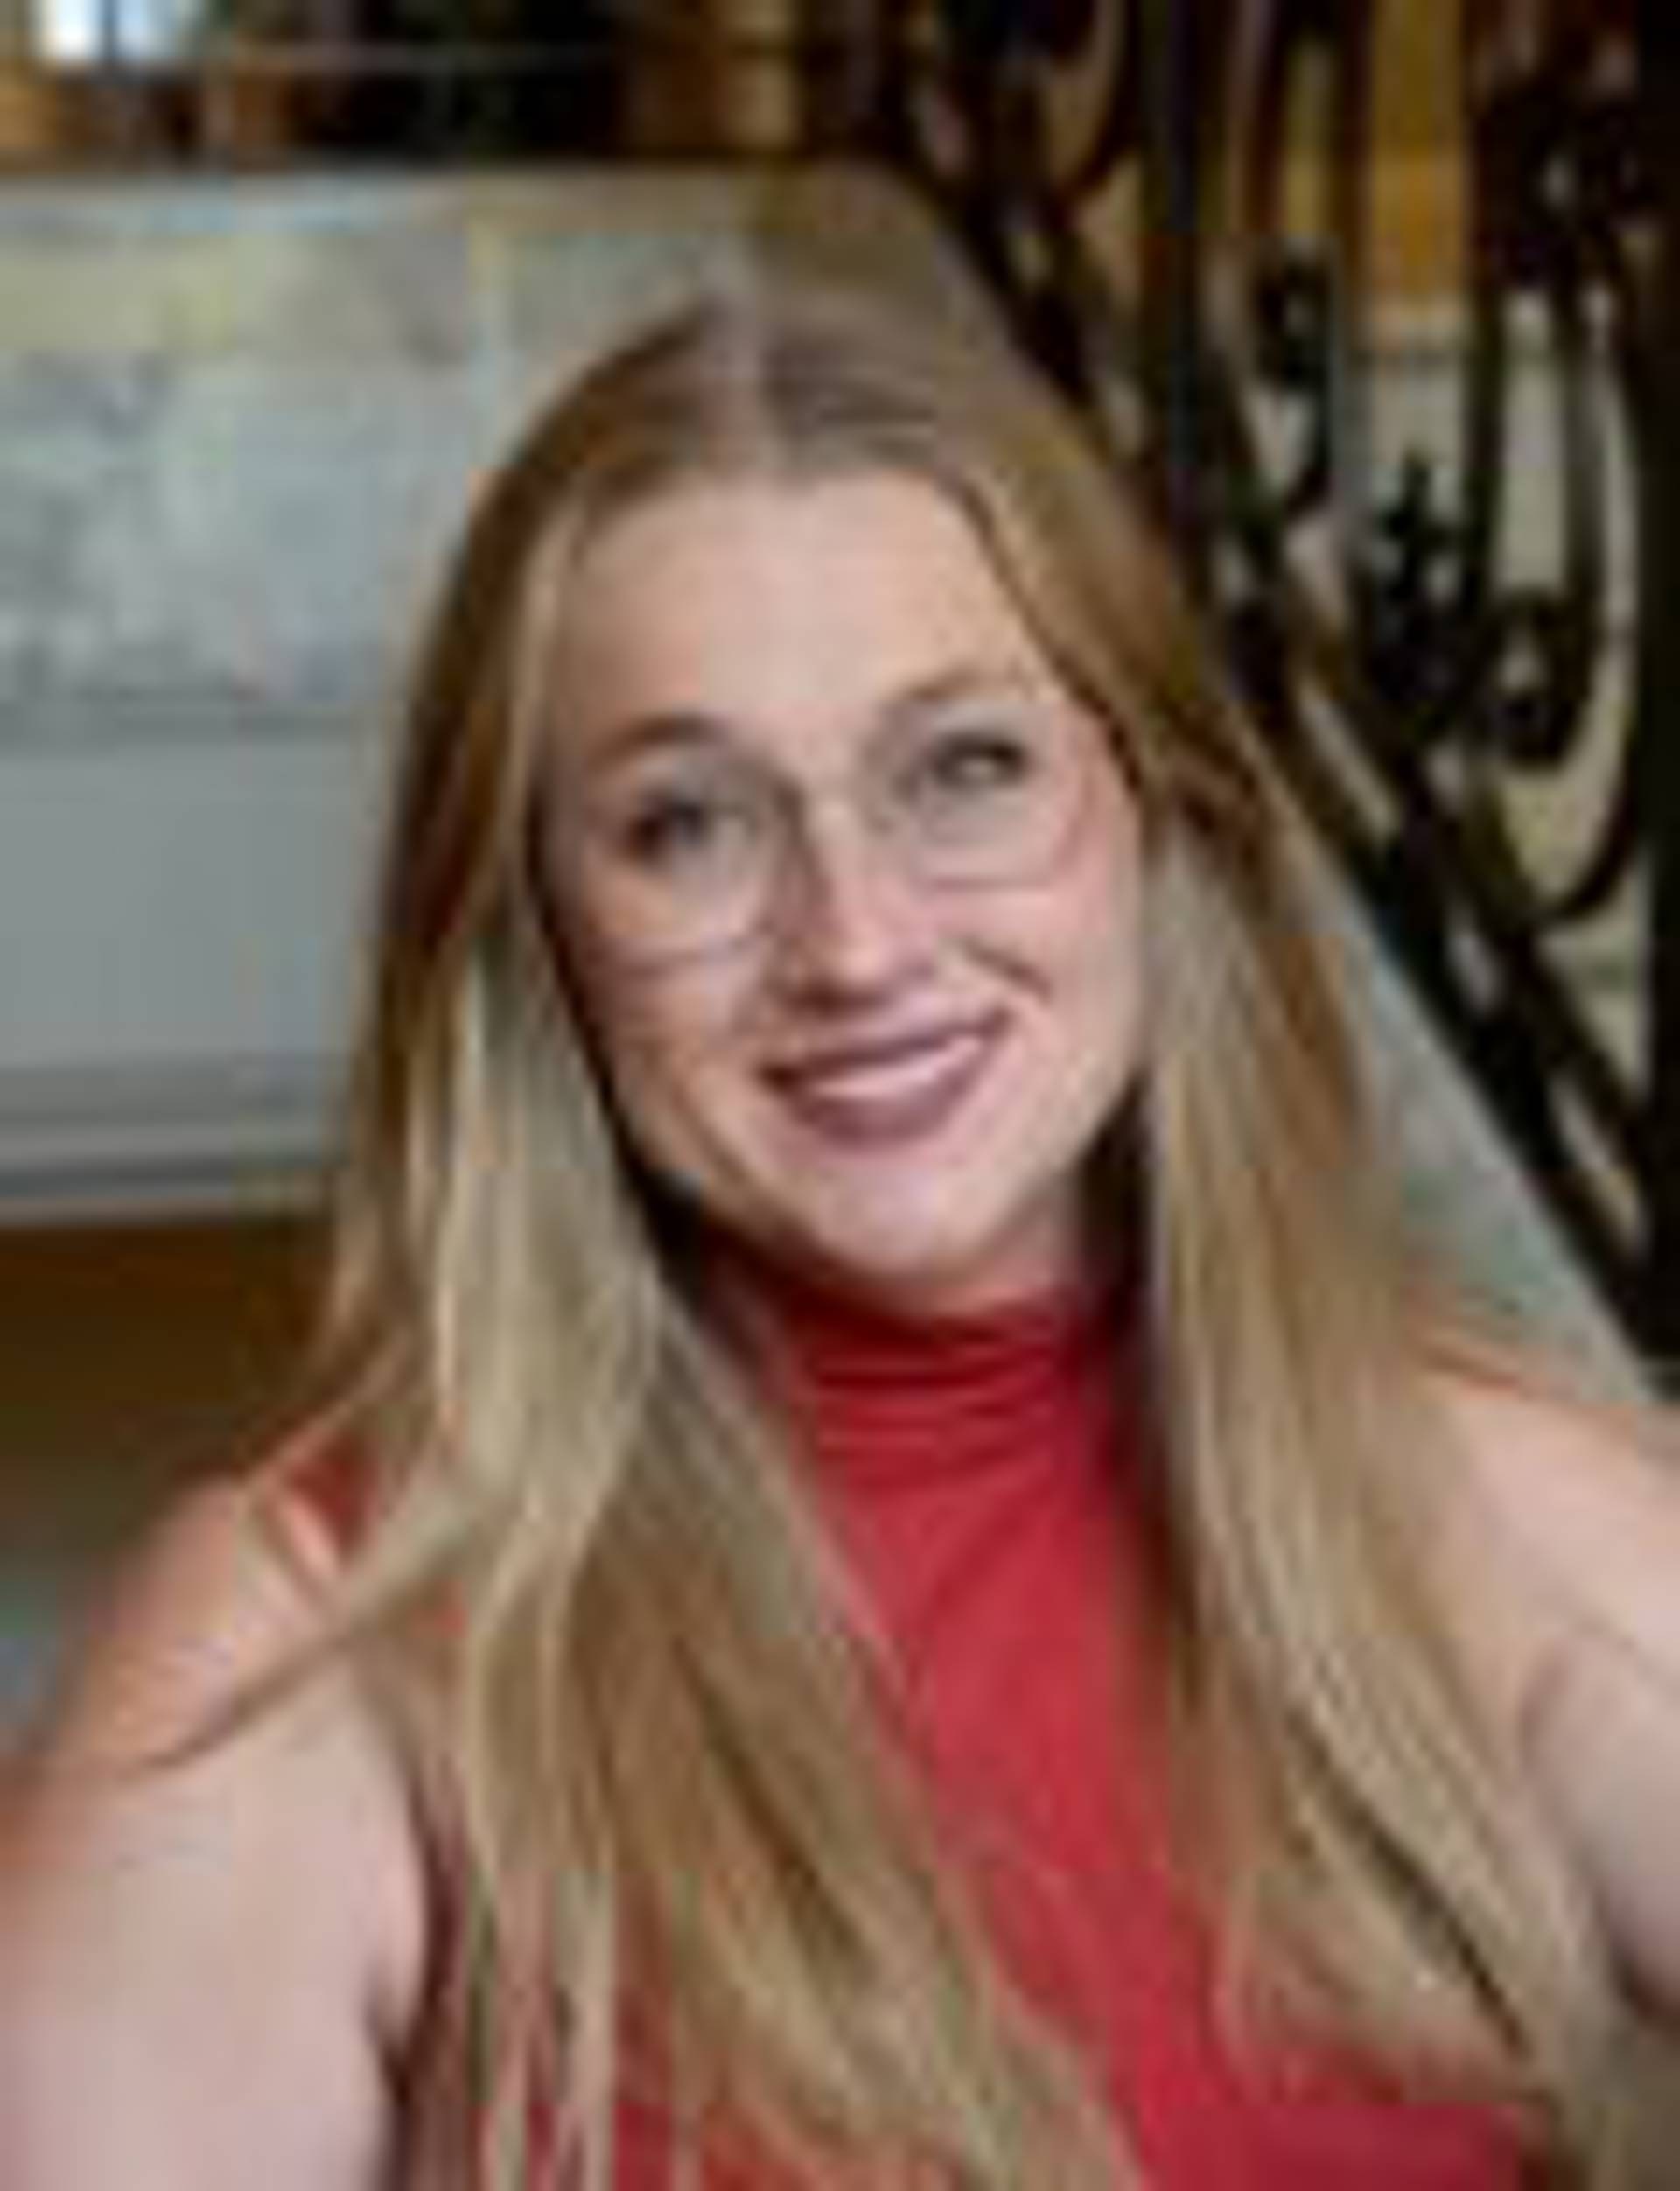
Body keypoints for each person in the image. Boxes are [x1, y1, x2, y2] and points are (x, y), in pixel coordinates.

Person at [2, 274, 1678, 2191]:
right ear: (531, 937)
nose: (857, 944)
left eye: (965, 768)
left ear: (1161, 817)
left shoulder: (1496, 1513)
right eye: (685, 825)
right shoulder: (299, 1660)